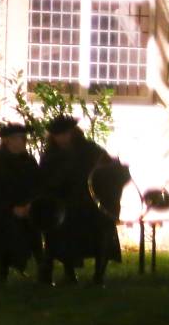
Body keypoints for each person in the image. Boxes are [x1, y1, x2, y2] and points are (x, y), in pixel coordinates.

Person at [38, 114, 125, 286]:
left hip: (91, 204)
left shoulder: (91, 150)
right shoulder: (50, 156)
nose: (62, 138)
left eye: (65, 133)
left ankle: (98, 276)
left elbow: (108, 171)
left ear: (73, 132)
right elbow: (46, 182)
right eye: (58, 135)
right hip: (64, 205)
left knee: (103, 226)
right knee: (60, 227)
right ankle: (68, 273)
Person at [0, 123, 44, 283]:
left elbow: (37, 185)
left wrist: (30, 204)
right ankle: (4, 271)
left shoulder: (28, 161)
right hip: (3, 209)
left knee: (35, 231)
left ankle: (43, 270)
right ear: (8, 140)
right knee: (7, 231)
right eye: (20, 138)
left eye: (24, 138)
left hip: (27, 207)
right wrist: (11, 208)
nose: (23, 142)